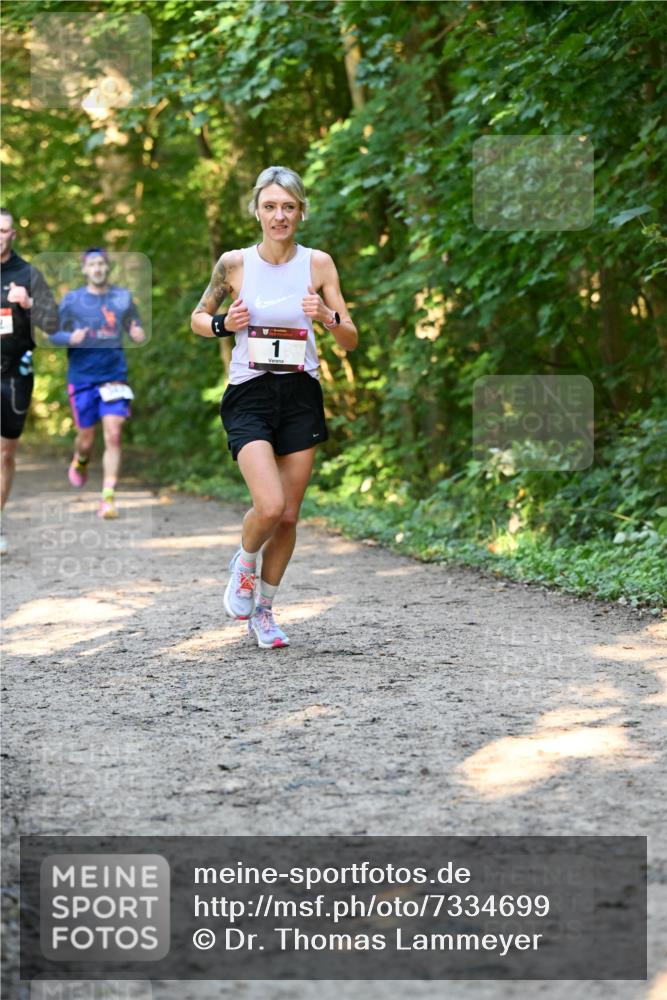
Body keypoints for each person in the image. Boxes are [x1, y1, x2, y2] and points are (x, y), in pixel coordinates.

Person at [191, 165, 358, 649]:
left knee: (288, 517)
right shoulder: (234, 264)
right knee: (269, 505)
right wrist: (225, 323)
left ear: (301, 212)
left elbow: (350, 338)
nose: (279, 216)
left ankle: (264, 611)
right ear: (257, 211)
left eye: (288, 207)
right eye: (270, 207)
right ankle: (244, 563)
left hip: (301, 392)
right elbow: (198, 318)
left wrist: (326, 317)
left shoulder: (319, 264)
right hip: (250, 392)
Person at [49, 248, 145, 519]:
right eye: (92, 264)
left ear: (108, 268)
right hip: (82, 378)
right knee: (86, 439)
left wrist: (137, 333)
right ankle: (80, 460)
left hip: (114, 376)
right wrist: (69, 338)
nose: (98, 268)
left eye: (102, 263)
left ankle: (108, 497)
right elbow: (52, 333)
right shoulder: (72, 300)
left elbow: (135, 327)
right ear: (85, 270)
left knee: (114, 434)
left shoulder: (122, 298)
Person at [0, 208, 58, 554]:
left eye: (4, 230)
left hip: (13, 373)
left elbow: (52, 323)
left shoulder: (27, 273)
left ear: (13, 235)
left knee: (4, 452)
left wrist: (29, 302)